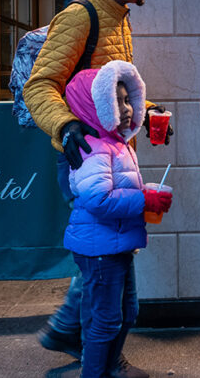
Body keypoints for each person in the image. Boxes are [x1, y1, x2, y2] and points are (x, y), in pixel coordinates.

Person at [24, 0, 165, 378]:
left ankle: (83, 338)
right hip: (87, 157)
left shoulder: (118, 15)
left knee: (110, 256)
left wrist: (145, 113)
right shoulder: (80, 16)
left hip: (112, 151)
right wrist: (65, 126)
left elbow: (113, 87)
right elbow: (40, 85)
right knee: (107, 257)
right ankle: (95, 352)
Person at [62, 60, 172, 378]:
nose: (125, 108)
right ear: (95, 104)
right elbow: (98, 199)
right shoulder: (94, 148)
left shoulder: (116, 143)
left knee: (128, 311)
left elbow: (118, 188)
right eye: (116, 101)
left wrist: (147, 193)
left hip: (115, 242)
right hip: (100, 248)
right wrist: (145, 199)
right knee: (105, 319)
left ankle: (110, 367)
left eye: (127, 100)